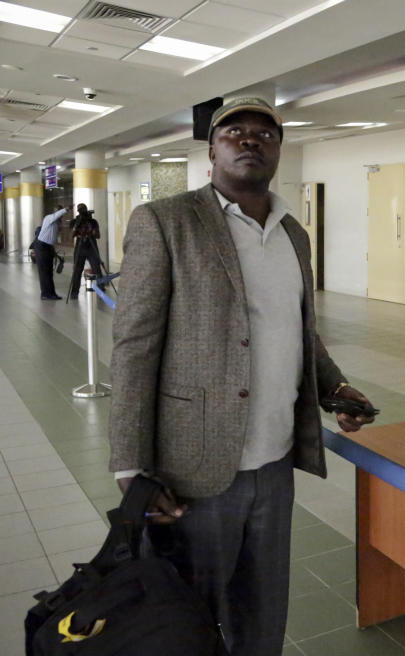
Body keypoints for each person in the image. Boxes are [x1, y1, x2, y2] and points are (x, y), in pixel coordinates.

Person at [108, 96, 375, 655]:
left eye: (264, 133)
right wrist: (131, 467)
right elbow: (134, 346)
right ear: (211, 150)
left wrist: (333, 387)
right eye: (235, 132)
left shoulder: (292, 233)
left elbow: (298, 329)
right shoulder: (165, 221)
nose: (250, 140)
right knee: (190, 615)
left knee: (263, 604)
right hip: (194, 466)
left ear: (279, 149)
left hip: (275, 462)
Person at [68, 203, 103, 300]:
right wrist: (77, 224)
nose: (82, 212)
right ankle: (74, 293)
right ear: (78, 212)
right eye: (81, 210)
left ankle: (101, 289)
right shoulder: (74, 221)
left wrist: (92, 230)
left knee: (97, 269)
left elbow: (98, 236)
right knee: (77, 271)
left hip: (92, 247)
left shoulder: (93, 221)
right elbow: (71, 235)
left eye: (84, 209)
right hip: (80, 247)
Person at [33, 205, 67, 300]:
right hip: (41, 246)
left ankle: (51, 293)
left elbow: (52, 237)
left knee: (49, 272)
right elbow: (56, 216)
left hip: (48, 246)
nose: (59, 215)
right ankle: (45, 294)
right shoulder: (49, 218)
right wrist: (66, 209)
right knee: (44, 272)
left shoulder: (57, 222)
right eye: (57, 212)